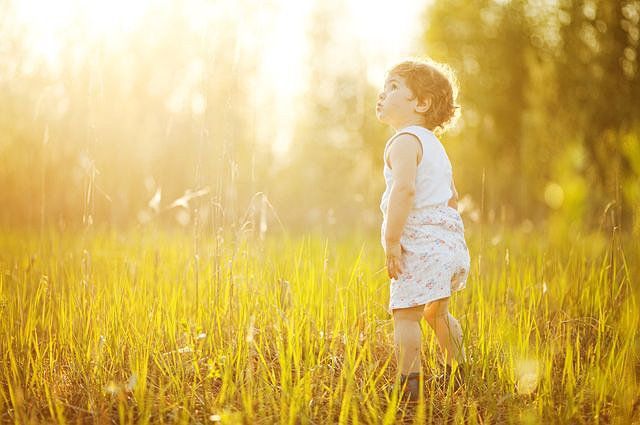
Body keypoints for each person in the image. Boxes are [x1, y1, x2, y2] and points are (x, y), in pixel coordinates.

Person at [376, 58, 471, 401]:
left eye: (393, 87)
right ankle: (459, 371)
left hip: (419, 241)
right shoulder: (436, 147)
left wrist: (392, 239)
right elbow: (453, 198)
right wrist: (446, 243)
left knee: (406, 315)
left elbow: (404, 190)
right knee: (437, 312)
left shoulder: (403, 141)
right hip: (448, 242)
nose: (383, 94)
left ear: (421, 103)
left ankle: (409, 386)